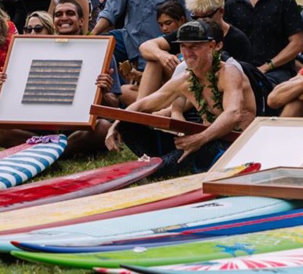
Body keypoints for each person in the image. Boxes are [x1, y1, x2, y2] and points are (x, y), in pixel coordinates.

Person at [105, 20, 256, 177]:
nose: (187, 52)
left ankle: (154, 168)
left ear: (212, 46)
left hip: (234, 143)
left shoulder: (229, 72)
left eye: (194, 46)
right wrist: (115, 125)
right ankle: (154, 164)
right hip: (204, 140)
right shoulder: (185, 79)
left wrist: (200, 139)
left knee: (186, 157)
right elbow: (143, 104)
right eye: (184, 46)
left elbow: (233, 113)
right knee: (127, 124)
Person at [0, 0, 121, 155]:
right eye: (58, 14)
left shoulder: (100, 51)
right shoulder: (33, 50)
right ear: (54, 21)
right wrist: (4, 87)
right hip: (39, 125)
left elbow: (114, 107)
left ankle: (49, 150)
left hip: (78, 128)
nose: (64, 17)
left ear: (81, 21)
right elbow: (15, 102)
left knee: (103, 127)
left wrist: (103, 92)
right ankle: (57, 148)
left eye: (70, 13)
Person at [135, 0, 252, 103]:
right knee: (154, 60)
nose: (201, 22)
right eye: (195, 18)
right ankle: (138, 115)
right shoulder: (190, 31)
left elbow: (240, 83)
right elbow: (146, 46)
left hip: (216, 94)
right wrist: (163, 56)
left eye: (206, 17)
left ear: (220, 12)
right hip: (185, 87)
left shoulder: (237, 40)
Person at [224, 0, 303, 86]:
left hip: (277, 70)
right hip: (238, 70)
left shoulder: (284, 1)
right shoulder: (231, 5)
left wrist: (266, 67)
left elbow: (297, 43)